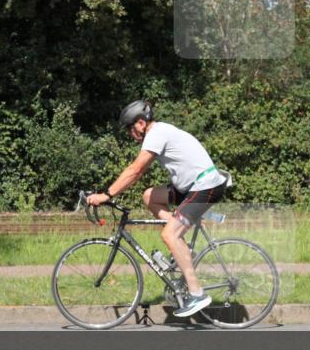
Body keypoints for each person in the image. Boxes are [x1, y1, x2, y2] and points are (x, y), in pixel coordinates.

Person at [86, 100, 228, 318]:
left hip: (205, 185)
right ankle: (181, 246)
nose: (129, 133)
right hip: (191, 186)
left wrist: (107, 195)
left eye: (130, 128)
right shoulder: (158, 132)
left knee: (169, 235)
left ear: (141, 123)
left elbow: (135, 170)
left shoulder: (157, 134)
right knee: (149, 196)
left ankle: (197, 293)